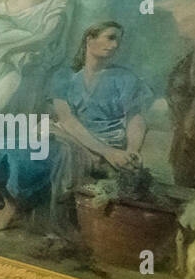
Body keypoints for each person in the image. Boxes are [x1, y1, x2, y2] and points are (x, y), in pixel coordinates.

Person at [45, 21, 153, 233]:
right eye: (110, 37)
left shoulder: (126, 78)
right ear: (89, 39)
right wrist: (107, 152)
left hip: (111, 143)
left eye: (118, 41)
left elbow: (135, 118)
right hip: (74, 137)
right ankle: (58, 226)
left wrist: (131, 149)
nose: (114, 45)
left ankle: (82, 226)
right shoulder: (64, 77)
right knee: (61, 150)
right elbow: (67, 121)